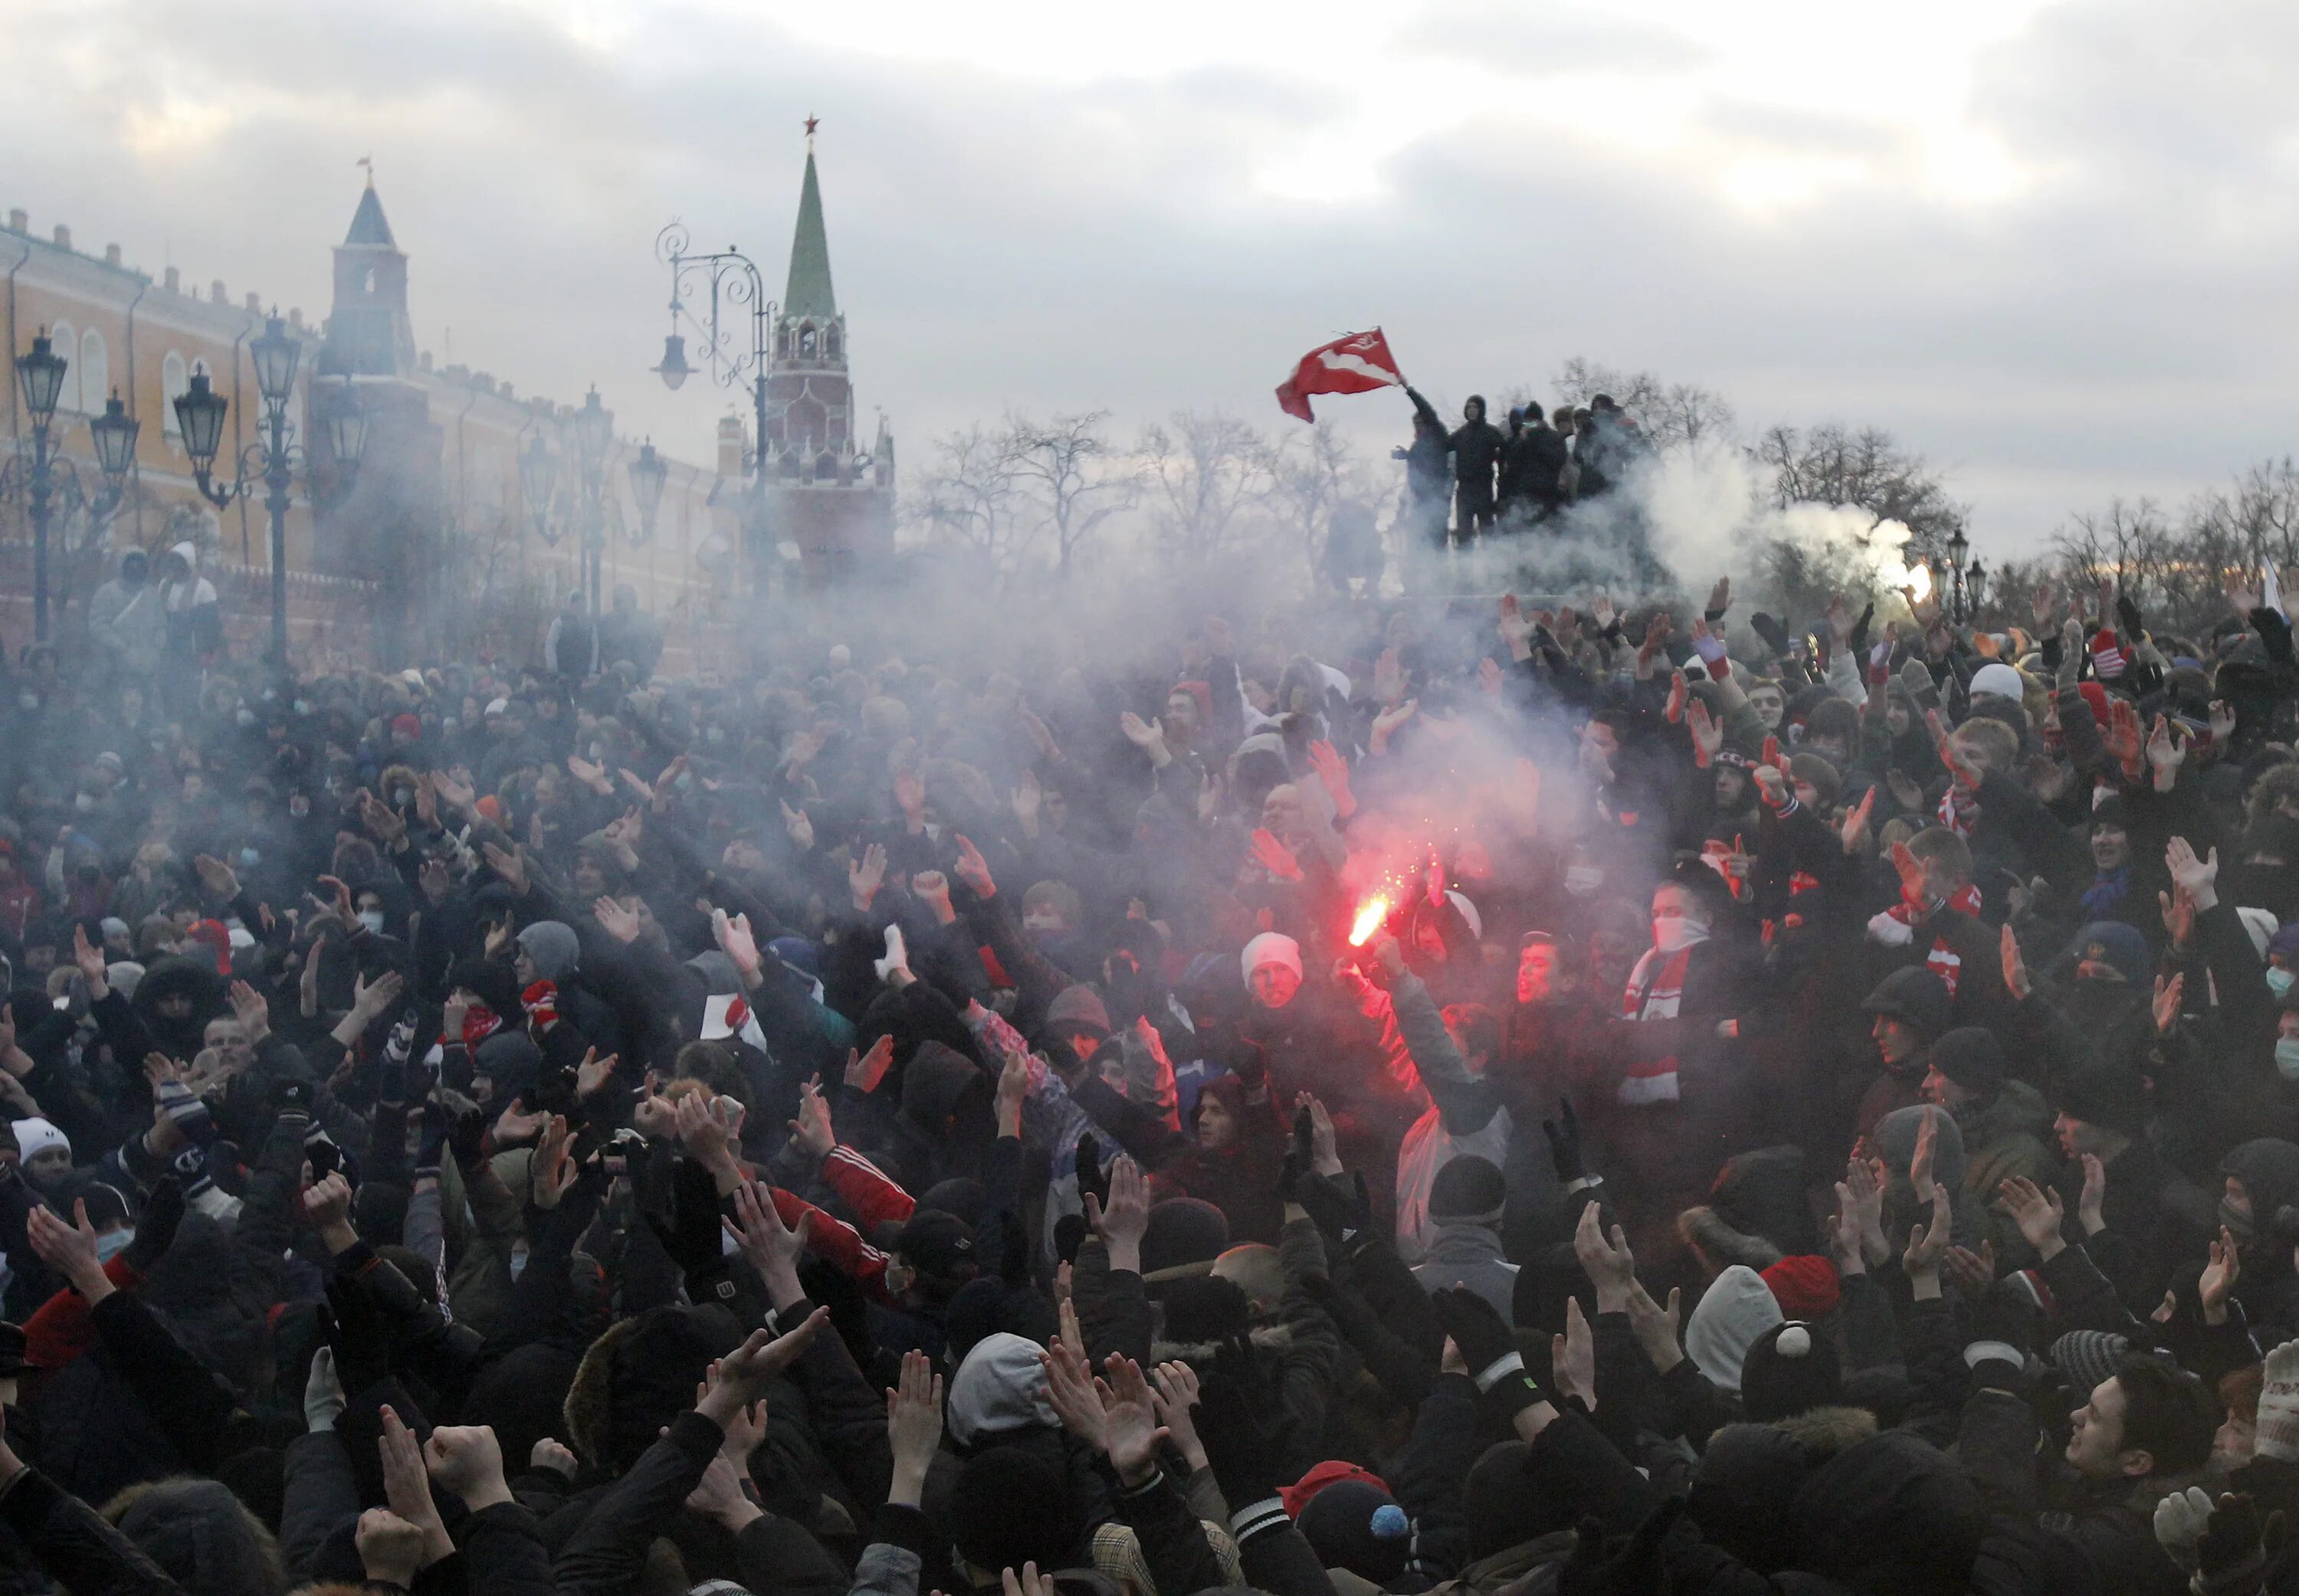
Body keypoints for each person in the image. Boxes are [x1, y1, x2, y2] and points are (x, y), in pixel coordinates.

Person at [1448, 395, 1506, 543]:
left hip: (1484, 489)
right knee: (1463, 533)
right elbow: (1440, 446)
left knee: (1487, 532)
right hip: (1464, 489)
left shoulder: (1492, 433)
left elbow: (1506, 454)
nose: (1472, 411)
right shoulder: (1460, 435)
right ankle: (1464, 565)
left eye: (1475, 407)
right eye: (1469, 407)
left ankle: (1491, 564)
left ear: (1481, 410)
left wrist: (1502, 477)